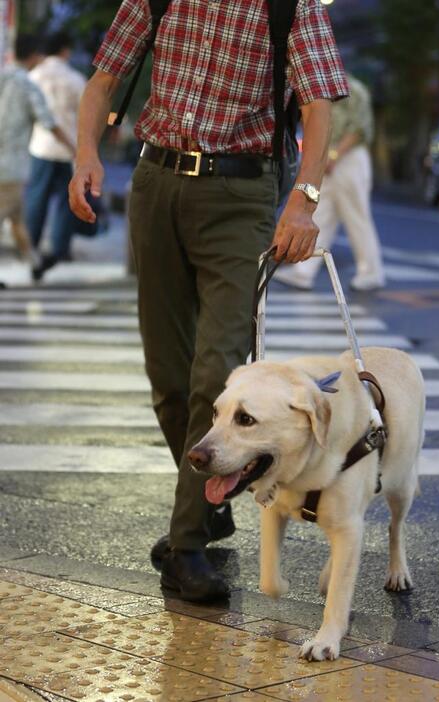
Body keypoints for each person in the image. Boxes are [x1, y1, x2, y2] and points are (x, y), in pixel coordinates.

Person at [69, 0, 348, 602]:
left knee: (214, 373)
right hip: (156, 187)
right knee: (168, 376)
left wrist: (303, 199)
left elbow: (318, 103)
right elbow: (103, 81)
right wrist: (86, 155)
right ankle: (210, 498)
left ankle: (187, 547)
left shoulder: (289, 7)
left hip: (241, 192)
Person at [274, 74, 386, 292]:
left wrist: (334, 155)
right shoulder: (319, 88)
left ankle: (371, 272)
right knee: (321, 214)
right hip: (328, 158)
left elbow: (359, 129)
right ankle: (303, 271)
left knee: (356, 215)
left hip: (350, 158)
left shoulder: (356, 89)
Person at [0, 34, 73, 270]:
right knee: (7, 212)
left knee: (17, 217)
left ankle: (33, 261)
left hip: (8, 166)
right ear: (34, 56)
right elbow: (48, 121)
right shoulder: (27, 84)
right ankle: (33, 261)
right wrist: (75, 149)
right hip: (10, 165)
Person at [26, 31, 85, 281]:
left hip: (39, 146)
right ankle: (58, 249)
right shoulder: (75, 79)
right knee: (65, 201)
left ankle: (30, 247)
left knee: (36, 198)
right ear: (65, 50)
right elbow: (86, 114)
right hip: (68, 149)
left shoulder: (33, 76)